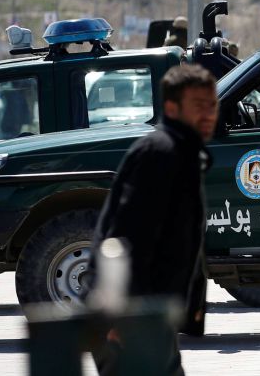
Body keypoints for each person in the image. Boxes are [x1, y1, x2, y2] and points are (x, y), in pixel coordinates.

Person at [90, 64, 218, 375]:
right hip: (130, 321)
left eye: (212, 105)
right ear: (172, 109)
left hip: (149, 319)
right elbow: (124, 238)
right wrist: (121, 314)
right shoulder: (161, 153)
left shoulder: (183, 154)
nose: (208, 114)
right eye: (198, 106)